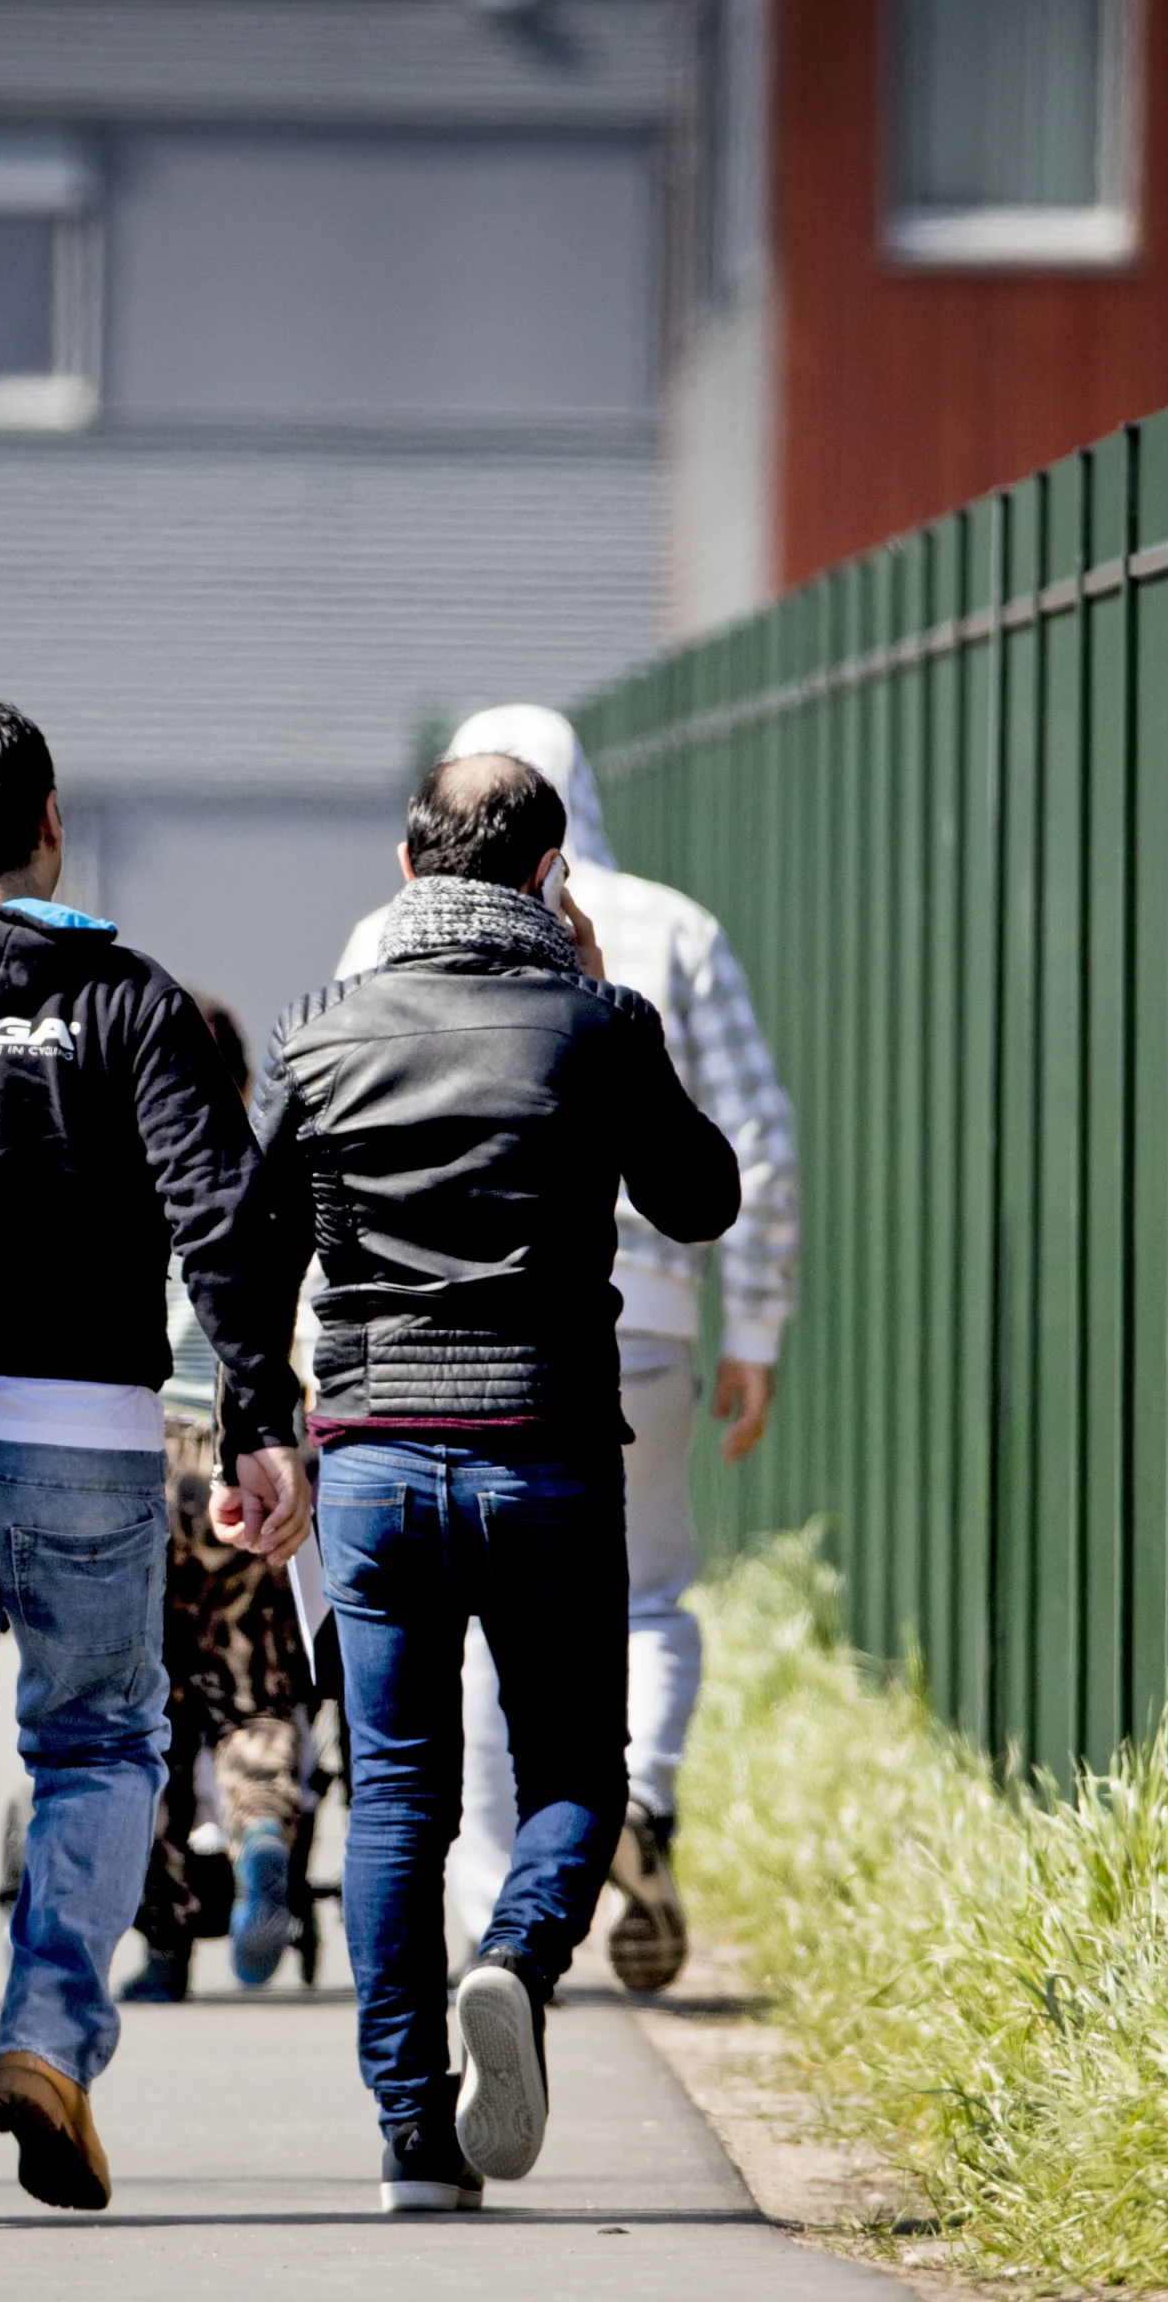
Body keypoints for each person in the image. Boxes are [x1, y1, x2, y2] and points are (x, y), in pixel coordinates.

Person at [0, 702, 305, 2225]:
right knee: (101, 1748)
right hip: (93, 1446)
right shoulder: (130, 1000)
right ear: (52, 821)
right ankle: (44, 2042)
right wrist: (257, 1414)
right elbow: (223, 1212)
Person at [247, 751, 739, 2211]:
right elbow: (698, 1198)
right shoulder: (595, 1025)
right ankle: (517, 1961)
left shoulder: (323, 1037)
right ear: (549, 876)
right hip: (548, 1453)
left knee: (395, 1799)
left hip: (374, 1463)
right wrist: (603, 994)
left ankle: (413, 2143)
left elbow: (253, 1252)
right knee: (577, 1775)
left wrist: (252, 1432)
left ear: (407, 873)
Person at [336, 704, 795, 1993]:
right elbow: (748, 1146)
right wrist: (753, 1321)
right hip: (617, 1336)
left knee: (430, 1721)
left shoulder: (380, 941)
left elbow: (322, 1160)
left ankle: (494, 1916)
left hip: (396, 1365)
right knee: (647, 1599)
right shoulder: (673, 930)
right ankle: (634, 1804)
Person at [122, 993, 323, 2005]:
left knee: (144, 1706)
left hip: (138, 1454)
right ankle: (257, 1842)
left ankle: (162, 1947)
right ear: (247, 1084)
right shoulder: (267, 1178)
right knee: (255, 1690)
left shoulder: (126, 1168)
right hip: (241, 1446)